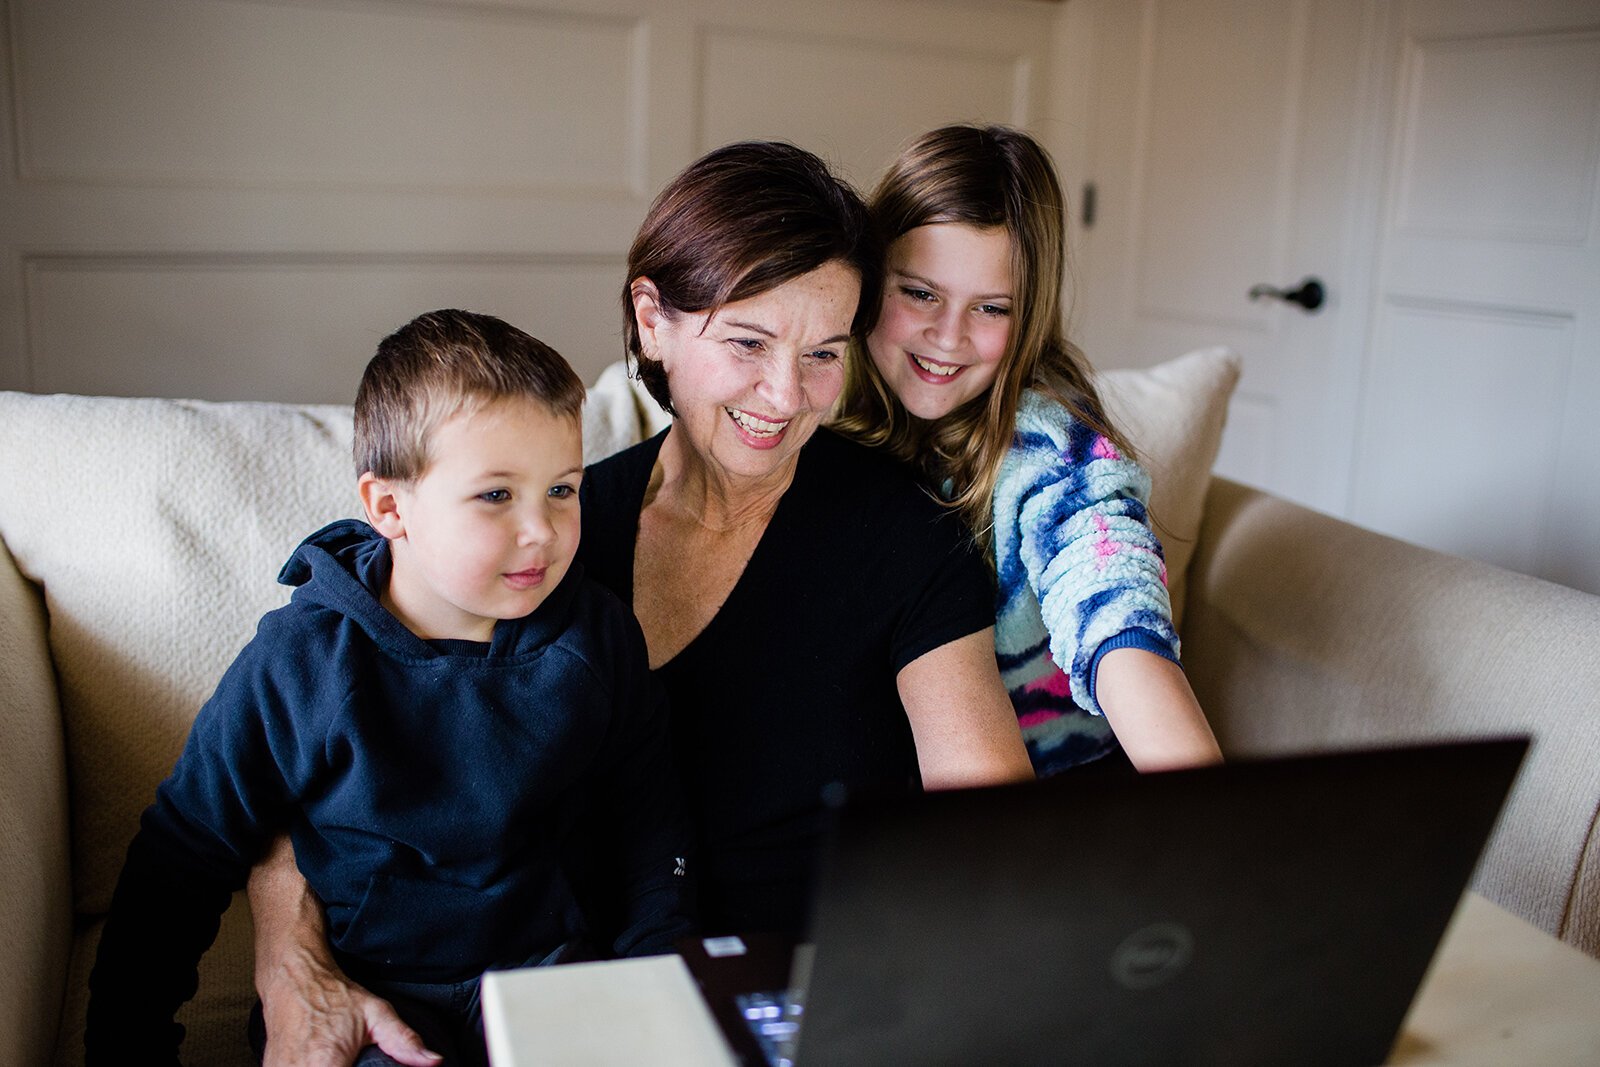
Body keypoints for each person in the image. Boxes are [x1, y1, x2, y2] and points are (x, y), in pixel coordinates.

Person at [244, 142, 1034, 1067]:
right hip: (557, 994)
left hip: (795, 998)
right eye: (746, 341)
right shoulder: (546, 527)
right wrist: (288, 952)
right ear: (652, 318)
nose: (786, 396)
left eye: (824, 352)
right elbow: (323, 733)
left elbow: (987, 828)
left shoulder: (901, 532)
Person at [86, 310, 694, 1067]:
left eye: (563, 489)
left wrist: (654, 991)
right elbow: (183, 851)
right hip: (378, 1000)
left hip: (550, 981)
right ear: (388, 507)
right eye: (496, 496)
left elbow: (650, 828)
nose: (541, 530)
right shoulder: (303, 660)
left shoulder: (595, 638)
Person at [834, 124, 1222, 776]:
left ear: (1031, 314)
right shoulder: (818, 398)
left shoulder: (1046, 448)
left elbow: (1109, 591)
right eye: (920, 292)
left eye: (990, 308)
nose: (947, 336)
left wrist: (1214, 816)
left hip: (1052, 807)